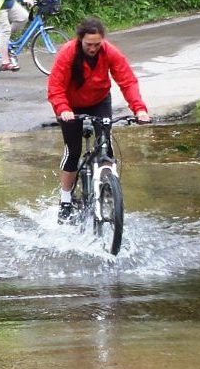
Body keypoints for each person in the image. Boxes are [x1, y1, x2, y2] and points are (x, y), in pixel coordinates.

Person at [47, 17, 151, 222]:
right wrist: (63, 109)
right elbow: (55, 87)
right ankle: (65, 200)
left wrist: (139, 109)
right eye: (89, 44)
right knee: (73, 151)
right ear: (80, 40)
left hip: (99, 101)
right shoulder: (68, 53)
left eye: (97, 44)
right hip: (71, 106)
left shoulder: (110, 52)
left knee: (106, 147)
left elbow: (127, 81)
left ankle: (109, 190)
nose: (93, 48)